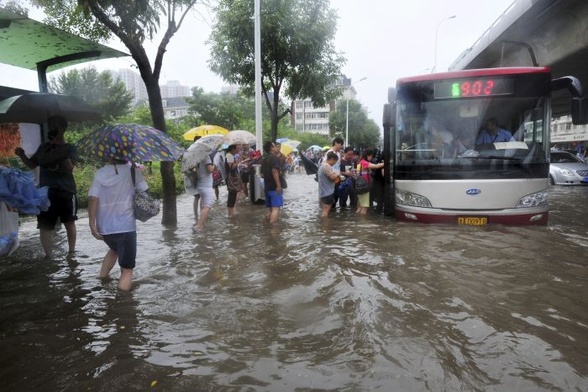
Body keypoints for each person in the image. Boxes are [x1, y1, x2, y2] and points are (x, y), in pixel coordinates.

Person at [14, 115, 78, 258]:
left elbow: (69, 168)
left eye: (55, 126)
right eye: (50, 126)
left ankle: (72, 253)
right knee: (44, 225)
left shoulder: (70, 148)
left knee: (69, 222)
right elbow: (32, 164)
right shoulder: (43, 147)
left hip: (66, 190)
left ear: (62, 129)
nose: (52, 129)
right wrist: (22, 155)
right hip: (46, 192)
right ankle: (49, 256)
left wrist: (61, 150)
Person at [88, 160, 148, 291]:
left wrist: (92, 224)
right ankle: (122, 303)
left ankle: (102, 280)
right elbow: (144, 190)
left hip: (105, 227)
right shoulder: (132, 170)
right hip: (125, 226)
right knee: (127, 270)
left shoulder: (100, 173)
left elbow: (93, 198)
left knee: (114, 249)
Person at [184, 155, 215, 232]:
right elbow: (210, 169)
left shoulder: (197, 157)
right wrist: (215, 165)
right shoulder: (206, 157)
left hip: (200, 184)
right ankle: (199, 226)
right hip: (206, 185)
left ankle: (201, 224)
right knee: (207, 206)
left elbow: (190, 169)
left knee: (203, 205)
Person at [260, 141, 283, 224]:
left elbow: (262, 175)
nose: (276, 148)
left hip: (267, 186)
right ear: (271, 148)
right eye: (274, 146)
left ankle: (267, 228)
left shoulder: (264, 159)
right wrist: (278, 185)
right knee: (276, 208)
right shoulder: (274, 158)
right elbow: (274, 171)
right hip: (274, 187)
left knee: (270, 209)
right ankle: (273, 231)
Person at [356, 150, 384, 215]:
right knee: (365, 207)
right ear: (368, 155)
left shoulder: (360, 162)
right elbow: (376, 166)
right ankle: (363, 222)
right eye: (372, 156)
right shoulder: (364, 162)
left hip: (359, 187)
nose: (372, 158)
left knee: (360, 207)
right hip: (364, 187)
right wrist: (387, 162)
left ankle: (357, 220)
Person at [317, 151, 341, 218]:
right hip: (327, 192)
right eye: (335, 162)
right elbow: (332, 177)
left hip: (323, 191)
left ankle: (324, 226)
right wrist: (338, 174)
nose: (334, 164)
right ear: (332, 159)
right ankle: (326, 226)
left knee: (325, 210)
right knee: (326, 211)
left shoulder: (321, 165)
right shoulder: (326, 166)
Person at [225, 144, 242, 217]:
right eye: (236, 149)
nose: (237, 150)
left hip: (232, 177)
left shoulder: (230, 156)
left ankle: (231, 211)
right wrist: (237, 161)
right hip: (231, 177)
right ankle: (230, 212)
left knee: (233, 193)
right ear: (232, 149)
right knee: (232, 194)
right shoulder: (229, 156)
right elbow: (231, 167)